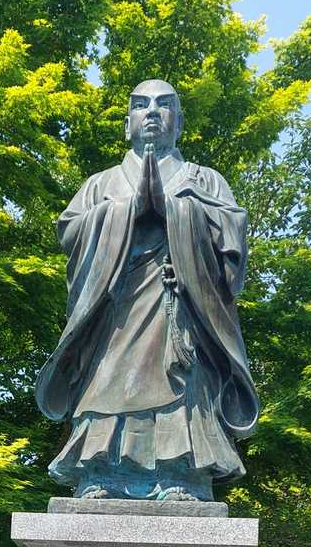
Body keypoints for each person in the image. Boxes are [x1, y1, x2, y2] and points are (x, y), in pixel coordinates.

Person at [35, 79, 259, 501]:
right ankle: (101, 470)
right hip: (114, 314)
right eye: (141, 105)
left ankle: (181, 474)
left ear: (179, 122)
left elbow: (231, 243)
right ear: (128, 124)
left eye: (164, 104)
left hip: (179, 307)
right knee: (105, 384)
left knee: (181, 391)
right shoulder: (101, 184)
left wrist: (176, 211)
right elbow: (71, 233)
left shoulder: (205, 181)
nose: (152, 112)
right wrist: (129, 210)